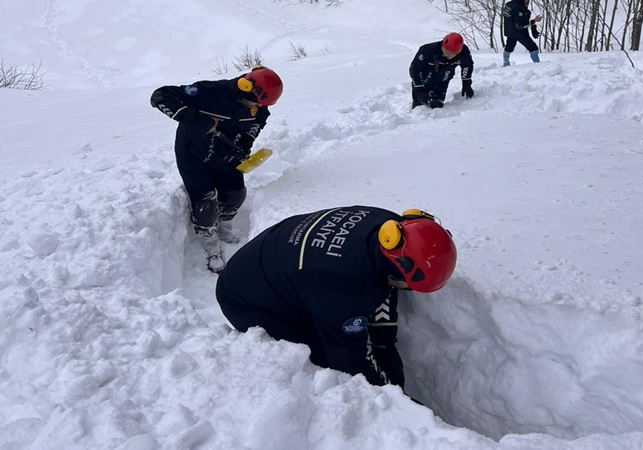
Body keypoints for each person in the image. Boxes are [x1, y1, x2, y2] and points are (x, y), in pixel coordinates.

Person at [215, 206, 457, 387]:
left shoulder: (392, 227)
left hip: (275, 264)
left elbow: (385, 292)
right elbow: (348, 359)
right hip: (247, 299)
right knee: (321, 354)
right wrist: (391, 396)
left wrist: (385, 345)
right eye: (409, 286)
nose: (408, 292)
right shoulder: (344, 286)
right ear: (396, 266)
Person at [150, 65, 283, 273]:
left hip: (226, 154)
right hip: (193, 154)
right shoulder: (209, 92)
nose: (256, 107)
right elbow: (160, 96)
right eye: (256, 102)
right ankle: (209, 241)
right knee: (204, 201)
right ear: (245, 87)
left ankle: (223, 224)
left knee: (236, 194)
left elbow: (259, 121)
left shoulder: (258, 105)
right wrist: (197, 119)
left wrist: (246, 141)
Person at [409, 32, 474, 109]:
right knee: (420, 107)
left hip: (443, 80)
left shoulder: (464, 52)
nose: (448, 56)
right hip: (423, 80)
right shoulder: (427, 50)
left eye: (453, 54)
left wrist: (466, 83)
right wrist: (419, 89)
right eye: (446, 52)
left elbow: (467, 66)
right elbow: (415, 69)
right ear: (443, 45)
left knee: (437, 105)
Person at [502, 0, 543, 66]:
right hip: (520, 33)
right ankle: (537, 65)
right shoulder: (519, 9)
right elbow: (520, 25)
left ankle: (506, 63)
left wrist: (532, 26)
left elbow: (511, 18)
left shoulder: (508, 5)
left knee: (509, 48)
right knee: (533, 48)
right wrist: (534, 21)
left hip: (509, 31)